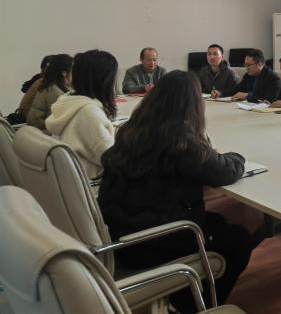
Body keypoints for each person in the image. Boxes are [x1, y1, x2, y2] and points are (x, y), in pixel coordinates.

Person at [98, 70, 253, 310]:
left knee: (220, 222)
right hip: (152, 242)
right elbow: (225, 172)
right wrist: (236, 156)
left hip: (121, 233)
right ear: (193, 105)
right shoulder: (179, 139)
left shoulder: (133, 130)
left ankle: (182, 295)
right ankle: (192, 307)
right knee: (239, 239)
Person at [45, 50, 118, 179]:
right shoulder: (89, 113)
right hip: (93, 181)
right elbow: (112, 159)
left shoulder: (66, 101)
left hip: (69, 177)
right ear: (104, 81)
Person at [26, 54, 73, 130]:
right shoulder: (56, 94)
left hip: (36, 132)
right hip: (44, 134)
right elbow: (56, 127)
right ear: (64, 73)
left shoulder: (47, 86)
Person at [8, 55, 54, 125]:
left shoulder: (39, 78)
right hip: (28, 118)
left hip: (23, 115)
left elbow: (24, 88)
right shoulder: (43, 81)